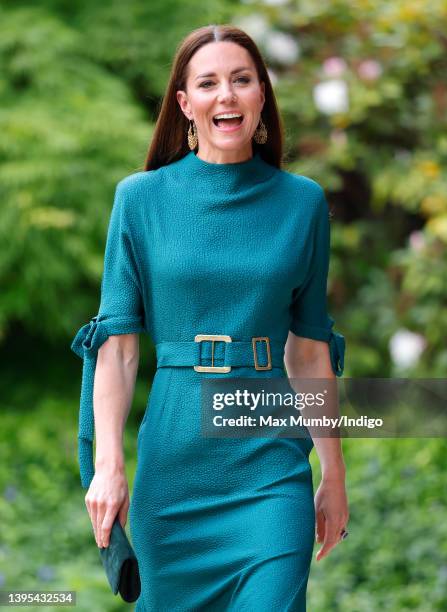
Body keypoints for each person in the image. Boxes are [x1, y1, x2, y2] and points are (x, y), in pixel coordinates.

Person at [71, 23, 349, 612]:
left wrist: (333, 473)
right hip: (174, 470)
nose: (227, 95)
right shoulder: (139, 200)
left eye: (242, 80)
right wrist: (108, 465)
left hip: (272, 468)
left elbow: (308, 350)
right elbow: (118, 350)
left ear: (261, 98)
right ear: (185, 104)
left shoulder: (303, 203)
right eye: (209, 83)